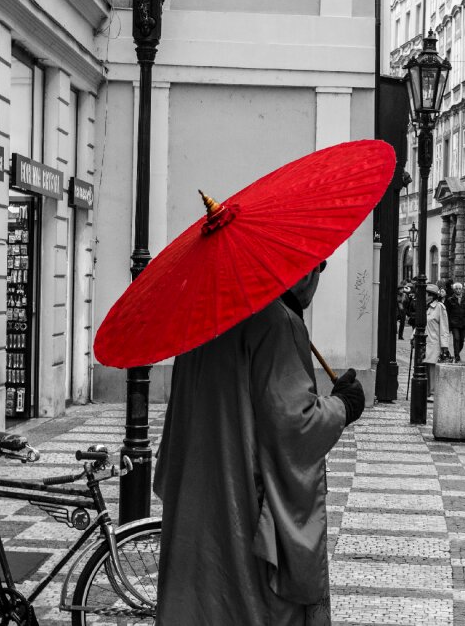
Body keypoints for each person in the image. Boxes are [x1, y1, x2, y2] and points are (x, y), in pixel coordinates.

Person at [155, 264, 365, 625]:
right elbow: (295, 425)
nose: (318, 278)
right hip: (245, 510)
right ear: (302, 271)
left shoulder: (207, 313)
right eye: (319, 267)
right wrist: (343, 406)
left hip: (195, 500)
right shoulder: (275, 322)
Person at [424, 283, 451, 401]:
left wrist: (444, 346)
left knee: (432, 367)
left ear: (431, 296)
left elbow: (444, 327)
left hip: (434, 342)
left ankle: (434, 393)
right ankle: (425, 391)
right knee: (423, 367)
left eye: (425, 294)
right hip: (425, 342)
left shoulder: (440, 307)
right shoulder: (424, 307)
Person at [445, 282, 465, 362]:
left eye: (459, 289)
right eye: (456, 289)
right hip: (454, 323)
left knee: (461, 341)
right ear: (454, 290)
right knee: (456, 339)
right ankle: (457, 356)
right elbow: (447, 313)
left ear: (462, 290)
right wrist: (449, 324)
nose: (458, 290)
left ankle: (457, 353)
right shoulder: (450, 300)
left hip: (463, 323)